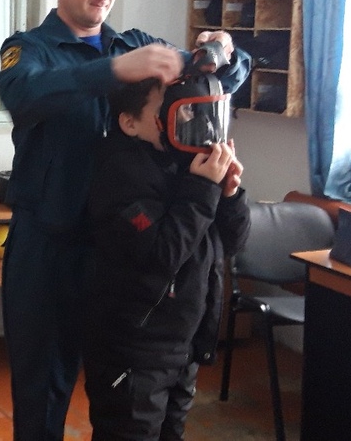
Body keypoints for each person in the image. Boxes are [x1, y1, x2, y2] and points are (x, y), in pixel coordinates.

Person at [0, 0, 250, 440]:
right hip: (51, 250)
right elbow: (25, 95)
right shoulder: (28, 50)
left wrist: (222, 50)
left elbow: (215, 79)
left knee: (125, 396)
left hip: (123, 251)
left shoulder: (135, 44)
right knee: (42, 395)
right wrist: (113, 70)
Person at [83, 78, 250, 440]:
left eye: (188, 110)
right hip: (134, 350)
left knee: (172, 433)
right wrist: (203, 189)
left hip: (182, 344)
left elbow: (233, 243)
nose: (186, 121)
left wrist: (230, 195)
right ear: (130, 123)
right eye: (169, 111)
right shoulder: (119, 174)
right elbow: (163, 252)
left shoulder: (184, 165)